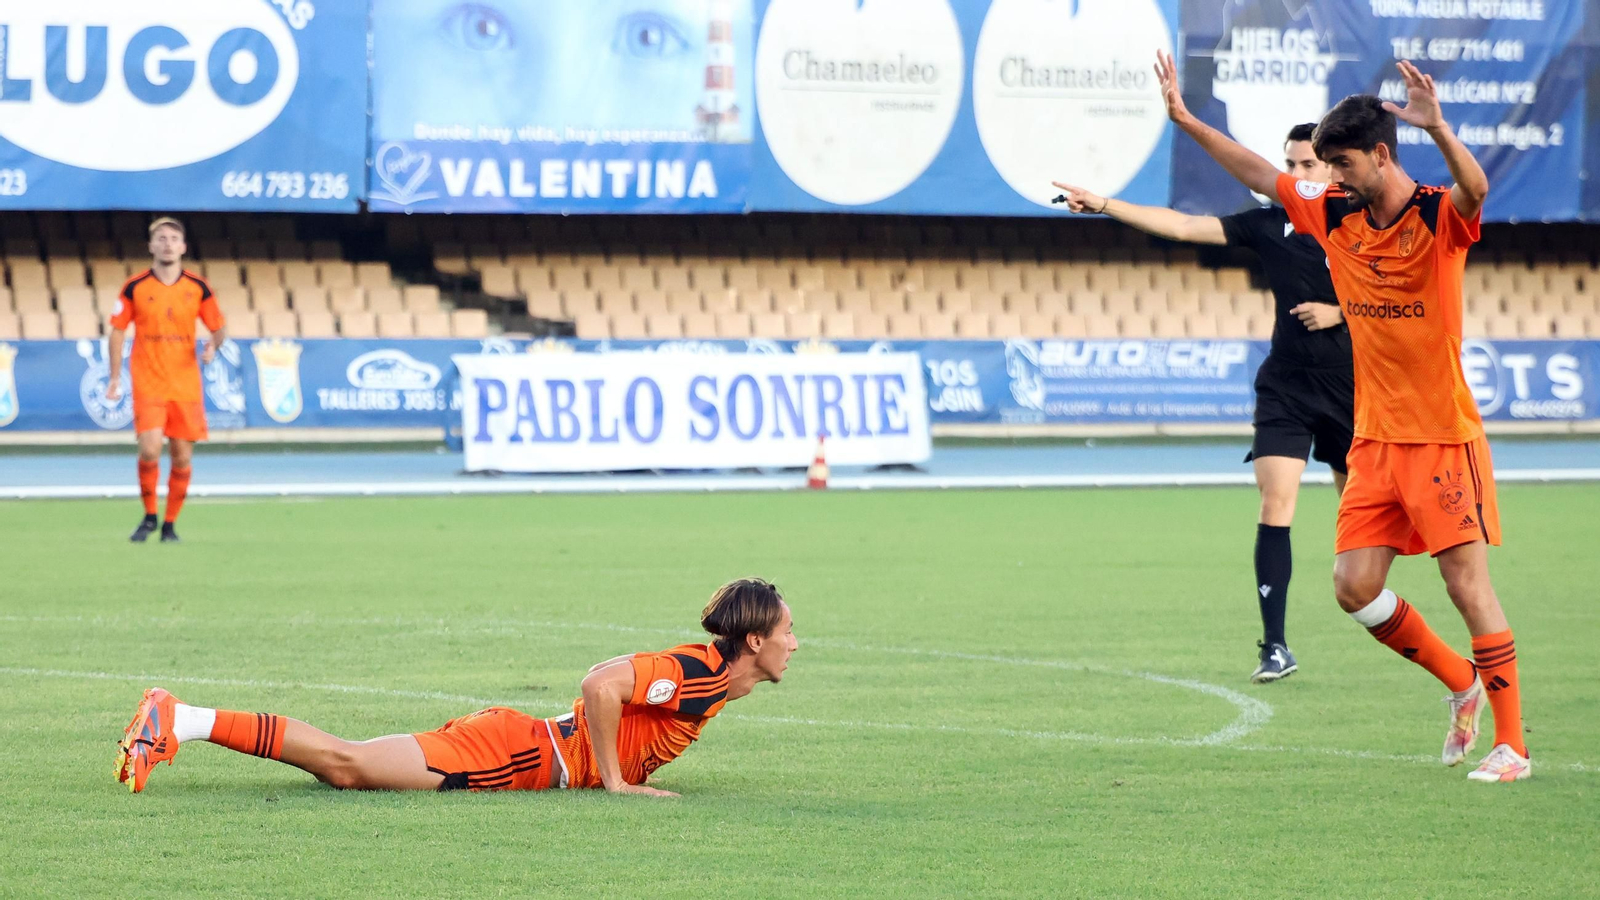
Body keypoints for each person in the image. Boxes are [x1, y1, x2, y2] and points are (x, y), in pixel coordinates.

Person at [1152, 49, 1528, 781]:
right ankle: (1461, 681)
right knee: (1353, 586)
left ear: (1379, 154)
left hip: (1443, 435)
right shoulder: (1333, 215)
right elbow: (1263, 176)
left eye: (1344, 163)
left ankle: (1512, 745)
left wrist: (1443, 128)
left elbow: (1474, 190)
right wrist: (1189, 120)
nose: (1331, 176)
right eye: (1325, 166)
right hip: (1376, 440)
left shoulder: (1433, 214)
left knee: (1466, 585)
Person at [1052, 123, 1354, 684]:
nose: (1294, 175)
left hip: (1351, 388)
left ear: (1336, 169)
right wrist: (1105, 205)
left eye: (1308, 165)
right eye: (1288, 164)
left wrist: (1342, 313)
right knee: (1275, 503)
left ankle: (1379, 608)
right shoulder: (1270, 223)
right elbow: (1186, 225)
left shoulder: (1363, 224)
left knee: (1359, 535)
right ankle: (1276, 645)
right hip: (1286, 385)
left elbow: (1408, 300)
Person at [116, 578, 798, 795]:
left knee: (346, 769)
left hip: (522, 749)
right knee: (347, 765)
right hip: (517, 753)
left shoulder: (716, 680)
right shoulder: (700, 672)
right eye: (788, 632)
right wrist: (615, 782)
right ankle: (180, 718)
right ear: (756, 642)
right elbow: (599, 685)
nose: (797, 643)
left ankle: (184, 721)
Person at [105, 217, 226, 543]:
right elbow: (117, 331)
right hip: (149, 381)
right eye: (161, 238)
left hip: (185, 383)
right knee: (149, 448)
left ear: (183, 246)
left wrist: (213, 346)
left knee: (182, 456)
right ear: (151, 246)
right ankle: (149, 516)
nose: (168, 243)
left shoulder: (198, 287)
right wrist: (115, 377)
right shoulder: (135, 286)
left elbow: (218, 328)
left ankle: (170, 525)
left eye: (174, 238)